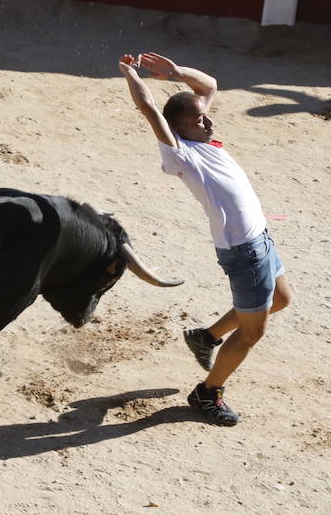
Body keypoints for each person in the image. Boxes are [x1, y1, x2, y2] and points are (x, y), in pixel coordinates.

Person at [117, 52, 293, 427]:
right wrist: (133, 75)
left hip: (261, 237)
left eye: (205, 114)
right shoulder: (182, 155)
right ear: (180, 129)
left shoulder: (204, 139)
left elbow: (208, 85)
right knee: (251, 333)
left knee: (281, 299)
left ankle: (206, 336)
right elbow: (149, 109)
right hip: (244, 252)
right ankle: (207, 393)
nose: (209, 120)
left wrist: (177, 72)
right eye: (199, 119)